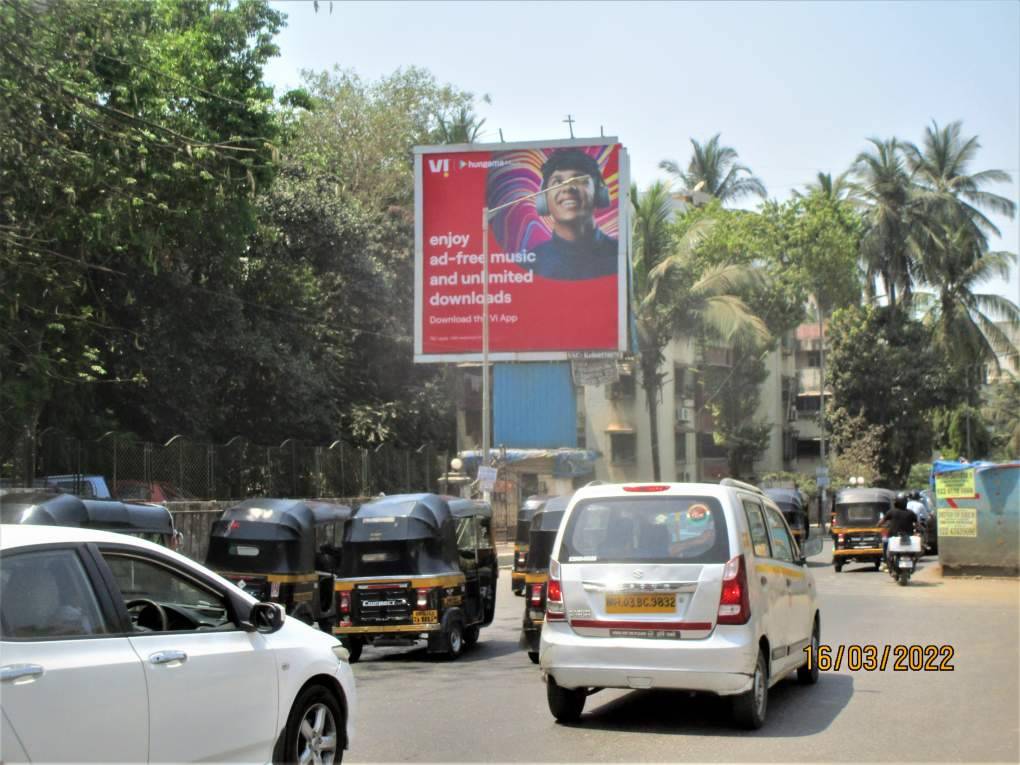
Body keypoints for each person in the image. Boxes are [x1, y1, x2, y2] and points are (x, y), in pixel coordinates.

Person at [530, 149, 617, 280]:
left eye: (579, 179)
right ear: (544, 199)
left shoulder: (618, 254)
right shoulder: (531, 264)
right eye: (557, 182)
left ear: (599, 193)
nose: (568, 188)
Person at [880, 492, 918, 569]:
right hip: (908, 538)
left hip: (894, 536)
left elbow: (882, 521)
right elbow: (918, 524)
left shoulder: (891, 512)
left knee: (885, 545)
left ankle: (884, 562)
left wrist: (878, 526)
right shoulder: (911, 513)